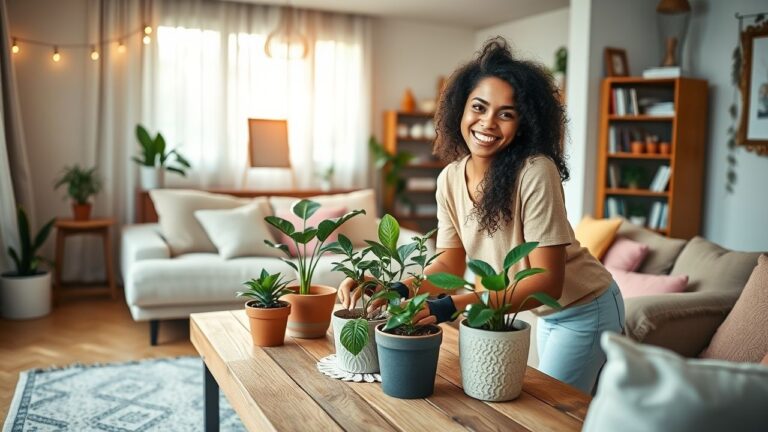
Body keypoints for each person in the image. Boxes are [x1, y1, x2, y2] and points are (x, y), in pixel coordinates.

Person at [338, 37, 624, 394]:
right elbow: (447, 270)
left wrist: (448, 307)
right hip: (542, 313)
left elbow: (548, 282)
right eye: (479, 107)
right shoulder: (450, 179)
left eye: (506, 113)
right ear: (460, 108)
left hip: (585, 308)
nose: (488, 122)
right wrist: (390, 288)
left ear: (523, 124)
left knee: (553, 415)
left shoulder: (535, 171)